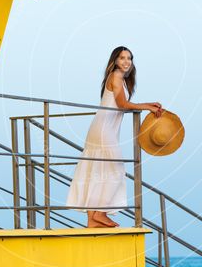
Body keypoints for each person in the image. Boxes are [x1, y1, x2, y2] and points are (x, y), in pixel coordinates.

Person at [66, 46, 163, 228]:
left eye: (129, 58)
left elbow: (122, 103)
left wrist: (148, 104)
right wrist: (146, 107)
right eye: (122, 58)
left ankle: (92, 220)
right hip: (104, 130)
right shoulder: (117, 75)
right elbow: (121, 104)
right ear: (115, 61)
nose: (126, 62)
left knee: (97, 170)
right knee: (115, 169)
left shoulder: (120, 79)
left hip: (101, 128)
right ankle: (100, 213)